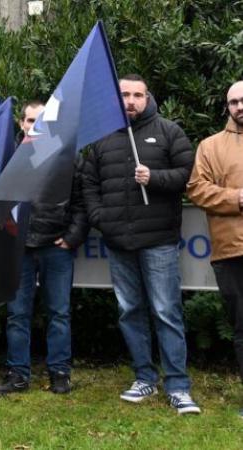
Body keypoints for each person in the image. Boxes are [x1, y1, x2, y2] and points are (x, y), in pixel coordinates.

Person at [82, 74, 200, 414]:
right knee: (129, 312)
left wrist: (155, 177)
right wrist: (100, 218)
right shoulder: (102, 139)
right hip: (119, 242)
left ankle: (178, 386)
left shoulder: (168, 131)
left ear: (148, 97)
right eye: (125, 95)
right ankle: (144, 378)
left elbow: (187, 174)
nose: (131, 101)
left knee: (166, 312)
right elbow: (89, 183)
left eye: (138, 95)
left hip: (159, 241)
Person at [0, 102, 88, 395]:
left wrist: (72, 237)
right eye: (30, 120)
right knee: (17, 314)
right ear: (21, 123)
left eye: (41, 120)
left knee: (59, 312)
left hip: (55, 246)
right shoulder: (7, 157)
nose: (35, 125)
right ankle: (18, 374)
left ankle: (60, 372)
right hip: (18, 248)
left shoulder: (67, 157)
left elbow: (82, 202)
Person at [187, 80, 243, 414]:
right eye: (234, 102)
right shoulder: (210, 146)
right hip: (231, 250)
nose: (240, 107)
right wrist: (236, 197)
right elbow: (196, 189)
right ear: (227, 106)